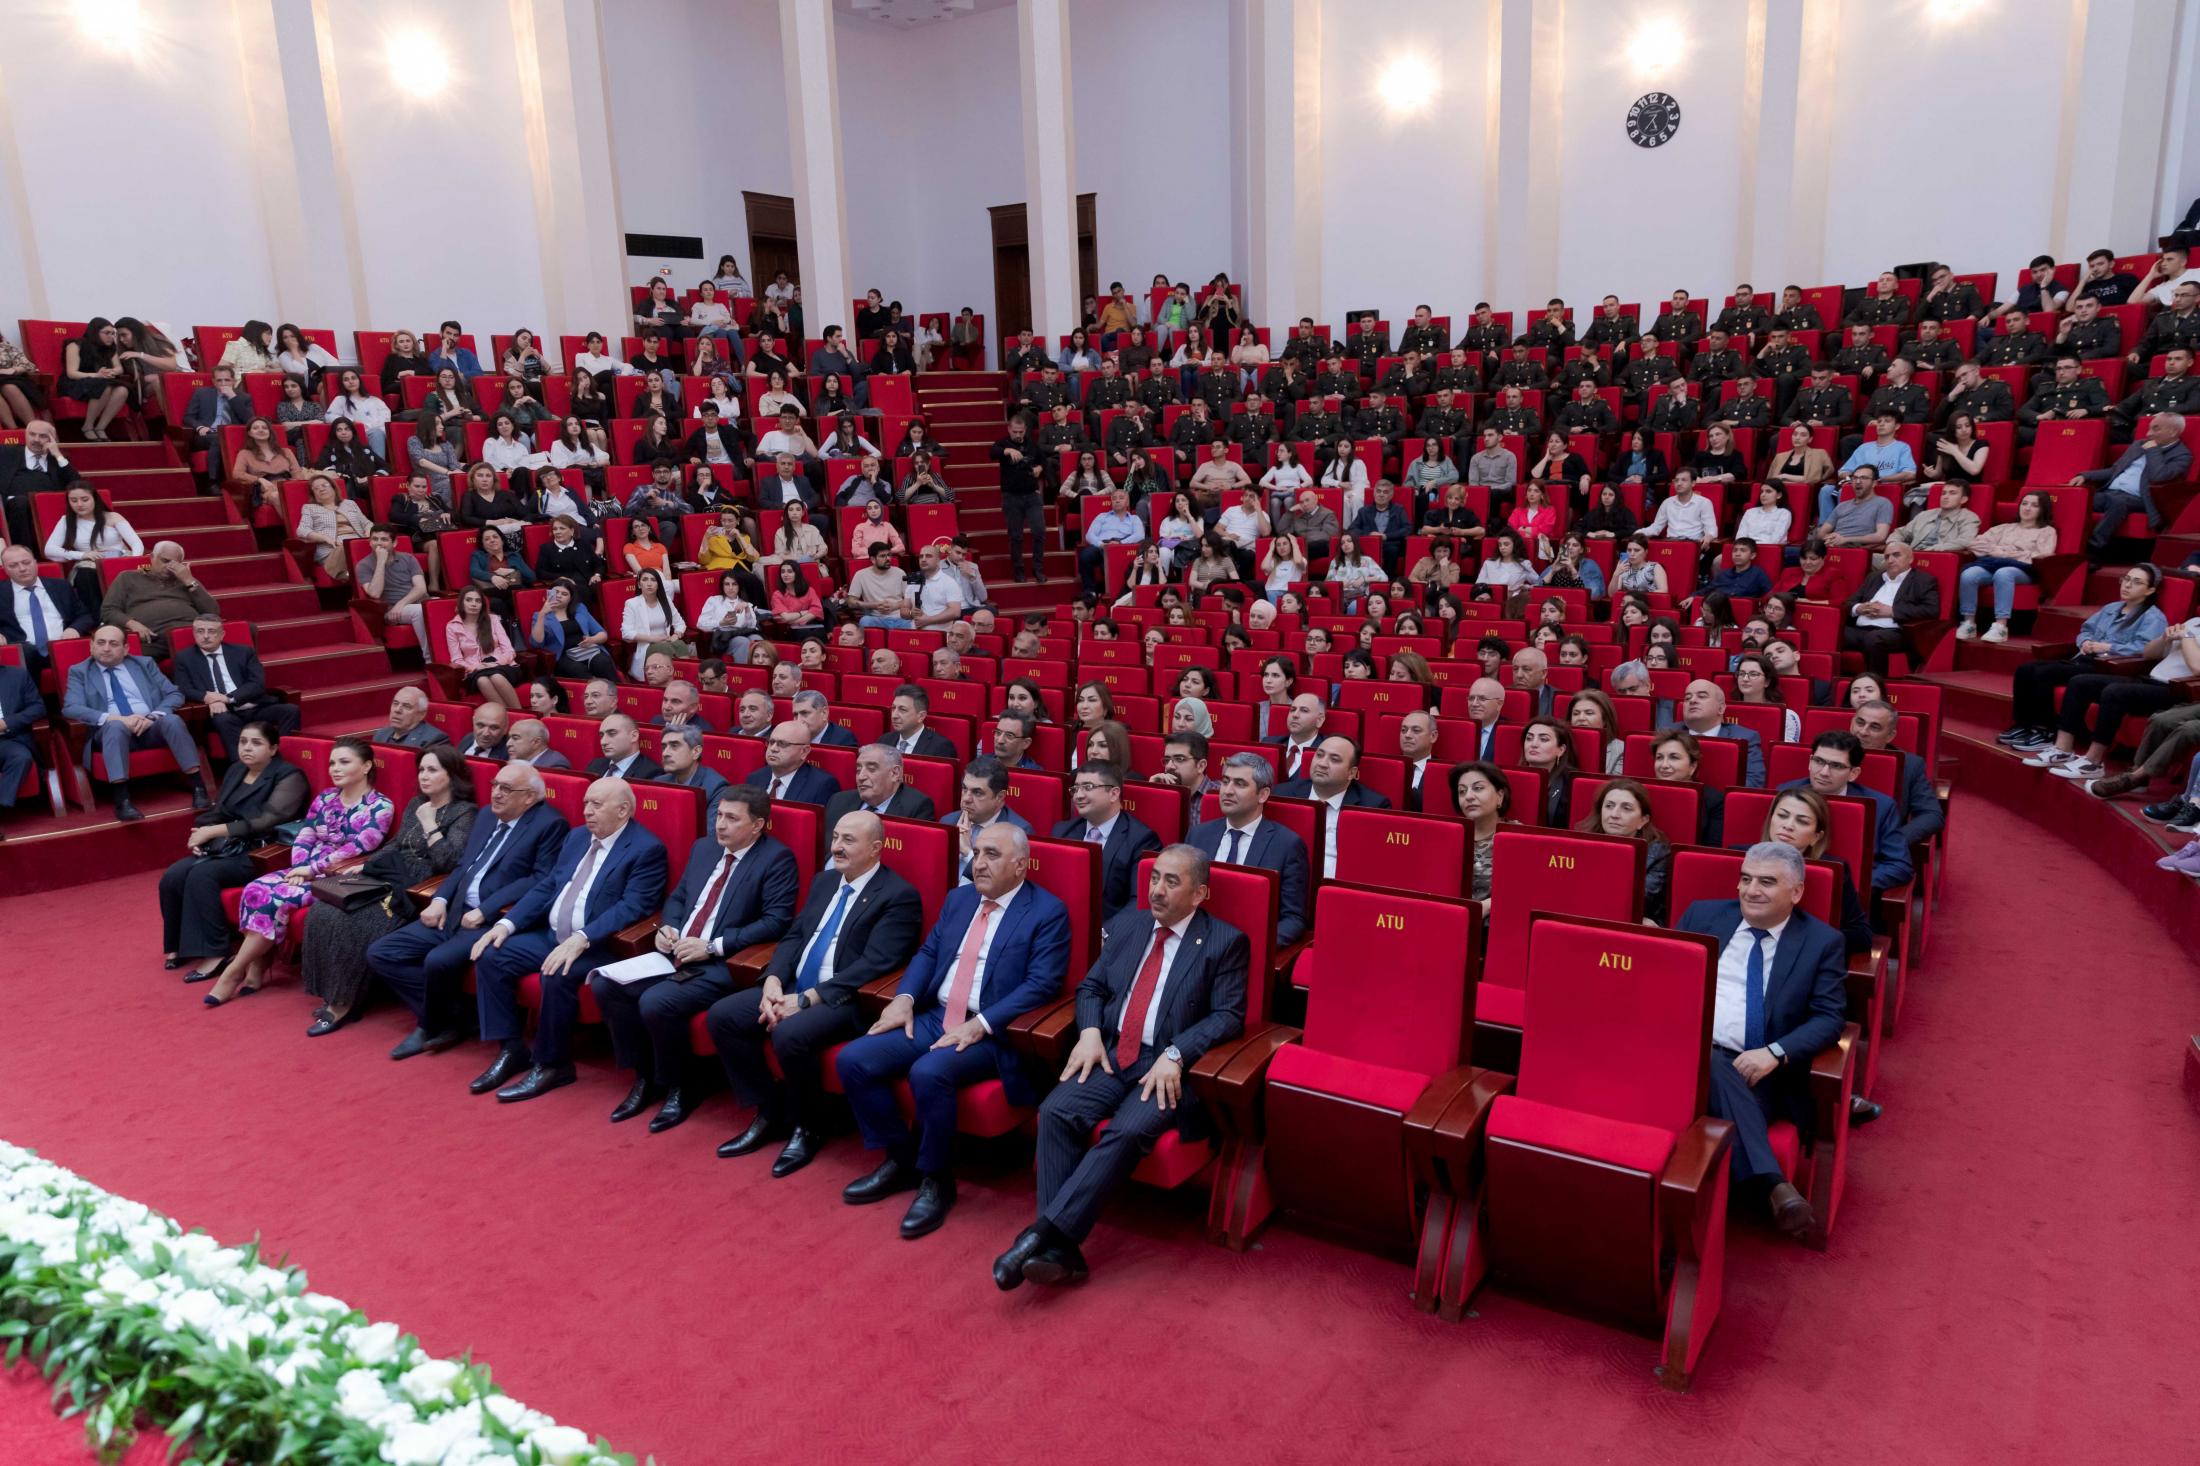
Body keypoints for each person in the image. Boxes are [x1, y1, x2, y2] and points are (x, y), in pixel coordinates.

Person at [992, 844, 1248, 1289]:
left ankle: (1040, 1235)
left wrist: (1177, 1054)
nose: (1157, 890)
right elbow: (1091, 987)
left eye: (1172, 882)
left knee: (1126, 1132)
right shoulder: (1130, 924)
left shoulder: (1224, 942)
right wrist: (1090, 1031)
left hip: (1166, 1066)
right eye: (1155, 878)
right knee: (1055, 1111)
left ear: (1199, 893)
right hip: (1112, 1051)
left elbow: (1228, 1015)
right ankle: (1059, 1250)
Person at [836, 824, 1072, 1237]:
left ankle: (937, 1179)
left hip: (993, 1030)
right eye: (976, 853)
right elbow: (929, 953)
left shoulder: (1046, 911)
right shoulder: (959, 899)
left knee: (929, 1072)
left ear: (1020, 865)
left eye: (992, 855)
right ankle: (902, 1159)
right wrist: (904, 998)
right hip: (935, 1015)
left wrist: (980, 1024)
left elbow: (1042, 984)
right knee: (854, 1059)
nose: (978, 863)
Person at [706, 810, 926, 1171]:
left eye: (848, 840)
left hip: (846, 998)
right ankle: (769, 1110)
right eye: (835, 837)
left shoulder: (898, 895)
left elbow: (876, 963)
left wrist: (808, 999)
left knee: (790, 1033)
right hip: (795, 985)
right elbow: (795, 936)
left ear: (876, 848)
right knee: (723, 1016)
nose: (836, 847)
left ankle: (809, 1125)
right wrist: (773, 980)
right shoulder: (825, 882)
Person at [1673, 842, 1849, 1241]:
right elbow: (1666, 976)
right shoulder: (1702, 915)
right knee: (1707, 1058)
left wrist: (1774, 1053)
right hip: (1681, 1059)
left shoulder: (1822, 942)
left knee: (1715, 1065)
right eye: (1746, 879)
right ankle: (1771, 1183)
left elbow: (1829, 1017)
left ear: (1796, 892)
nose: (1751, 890)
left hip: (1759, 1077)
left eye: (1767, 882)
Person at [296, 743, 476, 1037]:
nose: (424, 776)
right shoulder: (416, 804)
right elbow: (397, 844)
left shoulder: (465, 812)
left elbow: (449, 861)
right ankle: (334, 993)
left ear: (452, 775)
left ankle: (344, 1003)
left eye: (432, 770)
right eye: (421, 770)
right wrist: (366, 864)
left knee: (351, 922)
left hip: (419, 886)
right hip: (391, 872)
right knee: (322, 911)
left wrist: (430, 824)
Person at [202, 736, 394, 1007]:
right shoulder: (326, 797)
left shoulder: (380, 806)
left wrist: (311, 871)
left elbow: (360, 847)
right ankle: (258, 965)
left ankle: (234, 972)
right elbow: (306, 833)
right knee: (254, 888)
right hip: (303, 868)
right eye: (332, 763)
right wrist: (299, 865)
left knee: (274, 897)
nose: (335, 768)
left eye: (344, 762)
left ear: (365, 766)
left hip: (339, 877)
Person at [157, 722, 309, 977]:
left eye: (256, 743)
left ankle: (217, 952)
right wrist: (201, 834)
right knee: (173, 875)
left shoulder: (289, 776)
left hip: (262, 851)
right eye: (243, 741)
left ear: (273, 749)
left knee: (202, 875)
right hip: (227, 846)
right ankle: (178, 945)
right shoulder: (237, 769)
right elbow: (219, 811)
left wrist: (214, 832)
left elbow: (267, 821)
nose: (247, 748)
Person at [2009, 567, 2173, 780]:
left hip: (2110, 665)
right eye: (2126, 579)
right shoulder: (2111, 608)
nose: (2127, 585)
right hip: (2085, 658)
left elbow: (2145, 649)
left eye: (2136, 582)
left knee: (2047, 674)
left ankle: (2044, 731)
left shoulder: (2152, 617)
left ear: (2150, 590)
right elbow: (2086, 630)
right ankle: (2025, 725)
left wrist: (2108, 647)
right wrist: (2085, 642)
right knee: (2026, 669)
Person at [63, 624, 211, 821]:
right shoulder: (79, 671)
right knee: (115, 727)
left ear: (125, 649)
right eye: (101, 643)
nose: (106, 648)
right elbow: (71, 707)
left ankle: (199, 788)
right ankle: (122, 800)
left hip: (150, 727)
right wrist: (117, 719)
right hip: (111, 732)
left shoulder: (144, 664)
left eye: (113, 644)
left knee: (172, 720)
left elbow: (174, 694)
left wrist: (152, 717)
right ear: (91, 646)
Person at [1186, 752, 1311, 943]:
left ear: (1263, 795)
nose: (1227, 790)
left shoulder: (1287, 845)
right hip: (1195, 938)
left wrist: (1254, 946)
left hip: (1246, 944)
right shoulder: (1198, 834)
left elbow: (1293, 919)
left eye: (1240, 784)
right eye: (1225, 781)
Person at [1780, 729, 1913, 890]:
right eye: (1819, 761)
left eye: (1836, 766)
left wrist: (1848, 886)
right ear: (1810, 762)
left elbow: (1900, 866)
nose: (1824, 772)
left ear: (1853, 773)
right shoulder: (1785, 793)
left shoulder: (1881, 807)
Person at [172, 614, 300, 752]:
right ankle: (241, 763)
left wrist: (228, 698)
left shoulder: (243, 652)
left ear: (222, 634)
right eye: (200, 631)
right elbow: (184, 688)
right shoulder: (185, 658)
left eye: (212, 631)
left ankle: (282, 756)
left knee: (290, 710)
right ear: (194, 633)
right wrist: (207, 697)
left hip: (254, 706)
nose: (206, 636)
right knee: (223, 720)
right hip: (224, 712)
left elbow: (257, 683)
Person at [2073, 412, 2191, 561]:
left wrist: (2153, 450)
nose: (2148, 433)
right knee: (2078, 498)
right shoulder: (2138, 445)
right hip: (2111, 493)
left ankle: (2093, 550)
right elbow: (2115, 470)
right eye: (2149, 428)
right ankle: (2070, 546)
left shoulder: (2182, 456)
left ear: (2173, 432)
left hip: (2141, 500)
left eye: (2156, 429)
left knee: (2118, 502)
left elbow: (2159, 476)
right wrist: (2085, 476)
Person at [1051, 761, 1161, 918]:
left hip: (1109, 927)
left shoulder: (1141, 839)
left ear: (1114, 794)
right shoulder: (1062, 831)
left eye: (1088, 787)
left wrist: (1106, 930)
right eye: (1075, 788)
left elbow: (1138, 902)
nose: (1078, 795)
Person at [1278, 734, 1391, 876]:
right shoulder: (1282, 794)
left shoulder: (1373, 807)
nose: (1322, 763)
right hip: (1288, 877)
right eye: (1319, 755)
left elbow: (1371, 863)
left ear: (1352, 773)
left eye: (1334, 759)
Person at [1842, 540, 1940, 680]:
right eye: (1887, 556)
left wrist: (1892, 611)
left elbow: (1931, 610)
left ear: (1910, 558)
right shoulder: (1874, 577)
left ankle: (1876, 684)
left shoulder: (1923, 580)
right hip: (1860, 629)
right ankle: (1828, 681)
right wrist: (1859, 608)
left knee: (1873, 639)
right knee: (1832, 631)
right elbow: (1848, 603)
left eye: (1896, 555)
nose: (1890, 560)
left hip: (1895, 632)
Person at [101, 541, 221, 649]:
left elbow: (212, 612)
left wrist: (190, 581)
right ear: (152, 557)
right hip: (152, 638)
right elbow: (108, 610)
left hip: (190, 636)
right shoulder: (128, 577)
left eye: (175, 563)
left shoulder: (186, 580)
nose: (169, 567)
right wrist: (132, 624)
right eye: (165, 561)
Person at [826, 743, 939, 824]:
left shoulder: (916, 808)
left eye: (871, 769)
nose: (861, 777)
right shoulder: (838, 801)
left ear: (895, 773)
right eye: (858, 770)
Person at [588, 713, 664, 782]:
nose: (603, 742)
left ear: (633, 736)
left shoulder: (650, 773)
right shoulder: (595, 765)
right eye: (601, 735)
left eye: (612, 734)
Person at [370, 686, 449, 748]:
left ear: (421, 715)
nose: (397, 710)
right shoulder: (381, 734)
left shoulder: (434, 739)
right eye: (395, 703)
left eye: (406, 706)